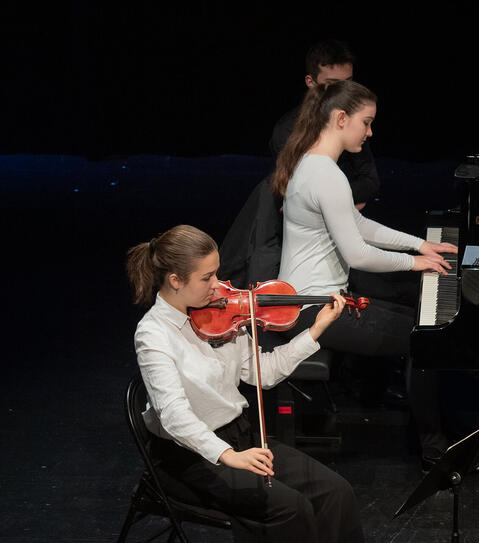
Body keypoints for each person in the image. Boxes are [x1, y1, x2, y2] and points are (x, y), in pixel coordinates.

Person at [126, 224, 364, 542]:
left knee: (336, 493)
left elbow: (262, 374)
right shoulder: (153, 334)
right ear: (175, 281)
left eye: (217, 273)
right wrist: (227, 455)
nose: (218, 285)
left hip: (242, 438)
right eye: (206, 278)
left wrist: (315, 330)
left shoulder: (223, 315)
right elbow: (173, 417)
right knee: (290, 509)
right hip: (192, 457)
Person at [272, 79, 456, 466]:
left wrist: (418, 244)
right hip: (313, 310)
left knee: (423, 326)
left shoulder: (315, 164)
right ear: (341, 119)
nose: (370, 133)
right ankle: (435, 449)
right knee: (424, 339)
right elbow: (357, 253)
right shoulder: (325, 173)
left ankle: (433, 433)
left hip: (316, 301)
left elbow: (357, 224)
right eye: (366, 122)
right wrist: (415, 262)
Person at [271, 39, 379, 211]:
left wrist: (335, 201)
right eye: (334, 84)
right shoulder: (287, 130)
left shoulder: (352, 122)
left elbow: (370, 181)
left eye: (348, 83)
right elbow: (290, 193)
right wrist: (340, 201)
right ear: (310, 82)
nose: (344, 92)